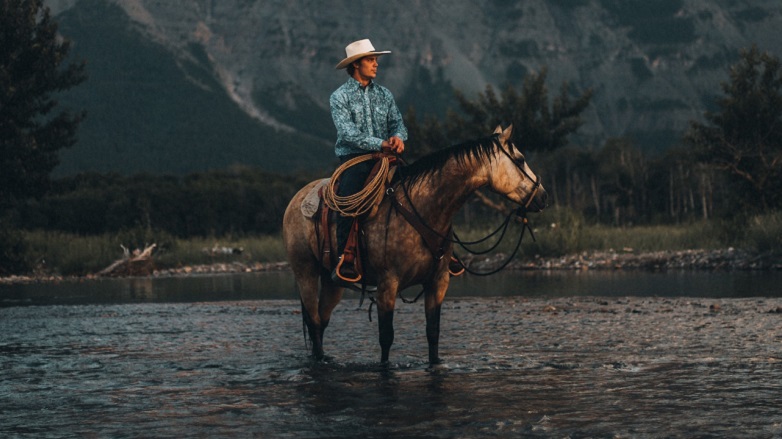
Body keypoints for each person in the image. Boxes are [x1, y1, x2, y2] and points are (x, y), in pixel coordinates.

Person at [329, 38, 408, 288]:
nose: (376, 64)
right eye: (370, 60)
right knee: (348, 200)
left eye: (375, 60)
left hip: (386, 157)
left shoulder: (385, 94)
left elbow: (398, 122)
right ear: (356, 65)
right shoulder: (339, 97)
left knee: (421, 188)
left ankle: (436, 251)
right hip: (355, 159)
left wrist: (398, 137)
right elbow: (348, 133)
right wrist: (381, 144)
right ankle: (346, 258)